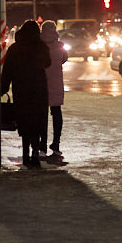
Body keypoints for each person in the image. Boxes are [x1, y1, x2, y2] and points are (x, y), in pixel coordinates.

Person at [0, 20, 51, 168]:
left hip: (21, 91)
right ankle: (35, 154)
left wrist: (2, 89)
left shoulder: (15, 48)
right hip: (39, 91)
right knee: (37, 123)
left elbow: (7, 71)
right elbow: (48, 63)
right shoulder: (41, 47)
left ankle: (25, 155)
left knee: (25, 123)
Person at [39, 21, 70, 161]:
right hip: (56, 84)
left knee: (42, 115)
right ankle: (56, 144)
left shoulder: (38, 46)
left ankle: (42, 145)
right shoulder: (60, 46)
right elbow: (64, 59)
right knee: (56, 113)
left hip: (41, 84)